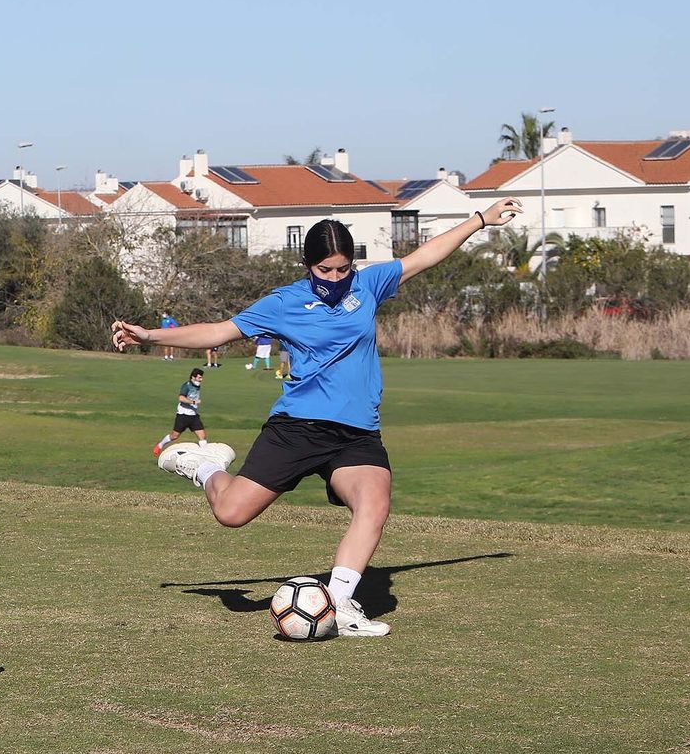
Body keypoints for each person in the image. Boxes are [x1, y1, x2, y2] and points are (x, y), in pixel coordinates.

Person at [113, 199, 522, 637]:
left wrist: (480, 221)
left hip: (357, 432)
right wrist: (150, 335)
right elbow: (219, 331)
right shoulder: (284, 303)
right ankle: (205, 465)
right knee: (231, 514)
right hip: (298, 427)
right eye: (324, 270)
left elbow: (425, 255)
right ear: (307, 265)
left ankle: (342, 603)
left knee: (374, 504)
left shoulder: (370, 285)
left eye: (342, 269)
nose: (334, 278)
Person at [153, 366, 208, 456]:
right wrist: (193, 402)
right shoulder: (186, 386)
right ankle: (160, 445)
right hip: (183, 415)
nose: (201, 379)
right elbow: (181, 398)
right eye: (199, 377)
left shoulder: (198, 386)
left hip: (194, 416)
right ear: (193, 377)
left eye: (201, 377)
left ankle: (204, 456)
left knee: (202, 436)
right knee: (174, 436)